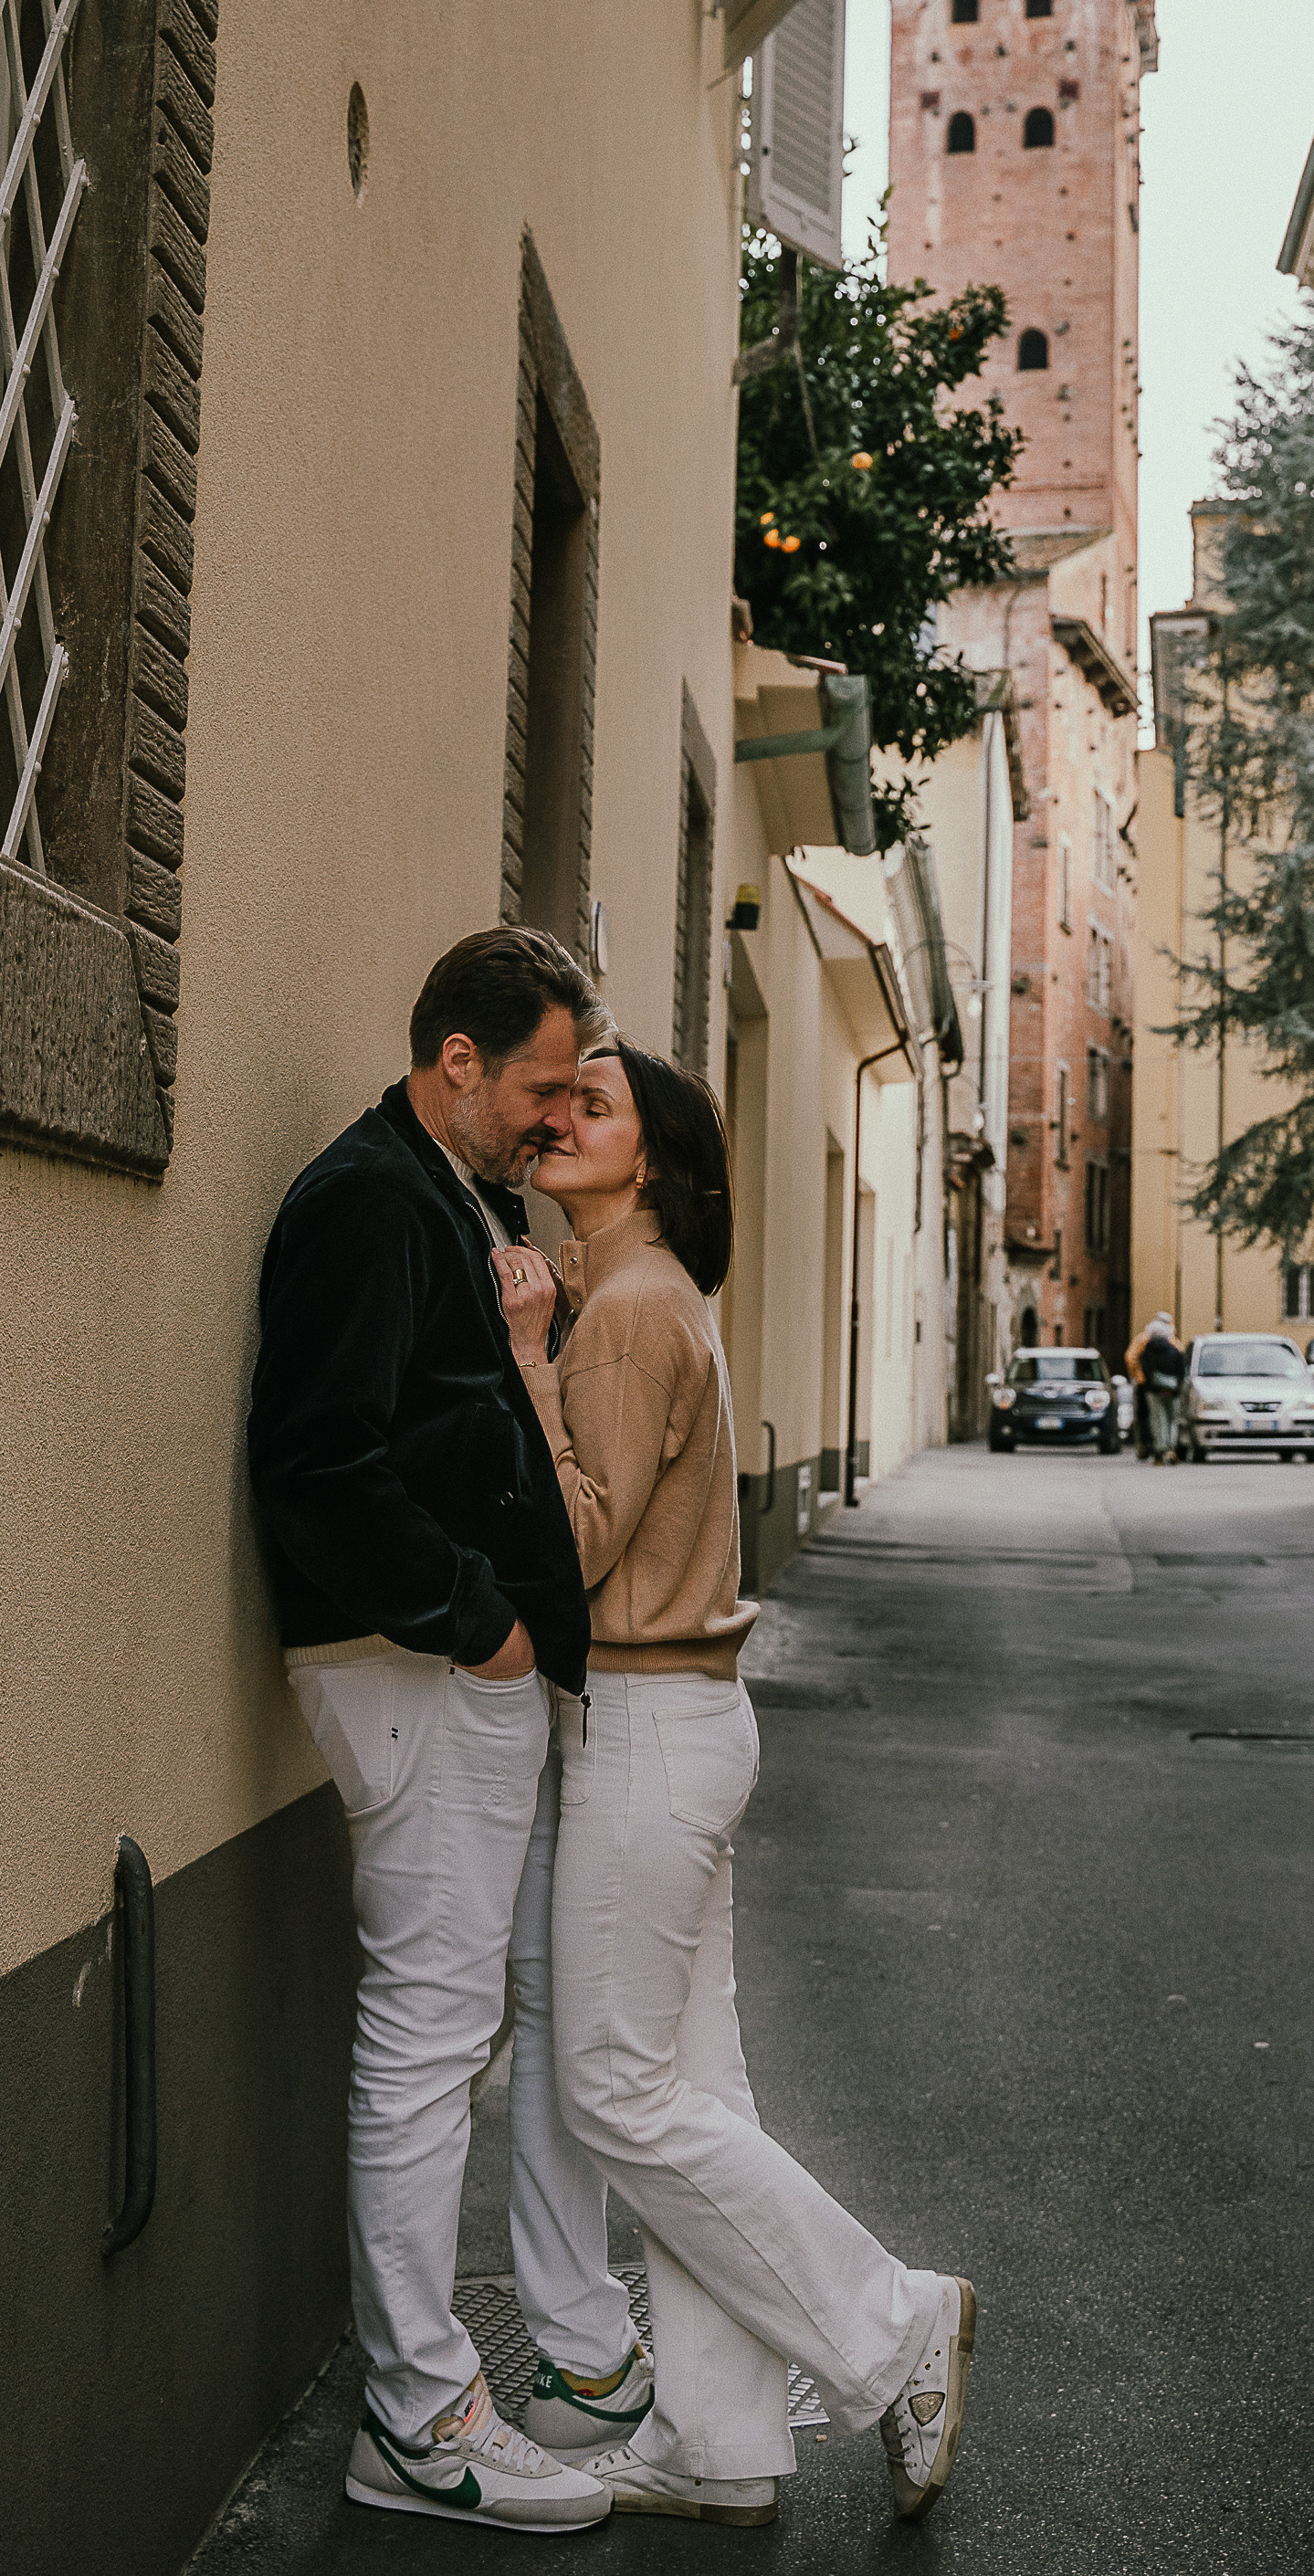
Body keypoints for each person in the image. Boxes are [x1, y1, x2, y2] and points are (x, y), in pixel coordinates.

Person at [495, 1039, 976, 2531]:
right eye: (556, 1095)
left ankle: (895, 2325)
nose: (560, 1115)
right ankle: (718, 2443)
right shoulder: (630, 1300)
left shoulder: (628, 1313)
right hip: (673, 1723)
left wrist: (524, 1364)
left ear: (656, 1160)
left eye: (598, 1102)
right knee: (690, 2090)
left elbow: (578, 1546)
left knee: (614, 2091)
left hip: (645, 1730)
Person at [247, 927, 617, 2537]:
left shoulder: (446, 1196)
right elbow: (320, 1466)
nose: (554, 1116)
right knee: (424, 2042)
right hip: (415, 1676)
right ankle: (420, 2418)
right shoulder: (364, 1200)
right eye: (539, 1084)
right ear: (456, 1060)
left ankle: (432, 2398)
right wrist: (483, 1625)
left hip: (442, 1676)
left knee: (446, 2038)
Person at [1126, 1310, 1186, 1464]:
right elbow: (1181, 1364)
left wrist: (1139, 1376)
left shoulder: (1143, 1340)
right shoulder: (1173, 1342)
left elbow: (1131, 1358)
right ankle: (1170, 1448)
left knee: (1149, 1418)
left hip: (1148, 1386)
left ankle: (1149, 1448)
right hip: (1171, 1388)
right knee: (1171, 1419)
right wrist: (1178, 1385)